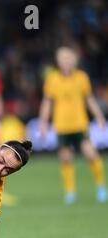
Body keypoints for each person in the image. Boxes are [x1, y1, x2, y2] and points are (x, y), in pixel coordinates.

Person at [39, 46, 107, 204]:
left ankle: (101, 187)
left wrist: (99, 116)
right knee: (65, 159)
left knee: (91, 154)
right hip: (62, 125)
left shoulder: (82, 77)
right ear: (58, 62)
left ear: (74, 60)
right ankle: (70, 192)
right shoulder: (52, 79)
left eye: (68, 58)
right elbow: (47, 103)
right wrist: (43, 122)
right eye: (62, 59)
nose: (66, 61)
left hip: (79, 124)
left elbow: (89, 99)